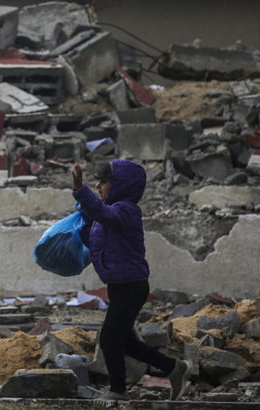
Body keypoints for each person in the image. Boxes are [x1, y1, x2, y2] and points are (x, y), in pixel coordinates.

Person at [71, 159, 191, 401]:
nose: (98, 186)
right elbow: (94, 235)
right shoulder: (109, 214)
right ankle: (173, 368)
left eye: (103, 182)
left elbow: (104, 213)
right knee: (124, 341)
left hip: (132, 286)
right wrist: (82, 220)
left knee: (109, 339)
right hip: (118, 285)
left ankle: (118, 390)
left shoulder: (127, 210)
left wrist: (80, 190)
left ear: (120, 185)